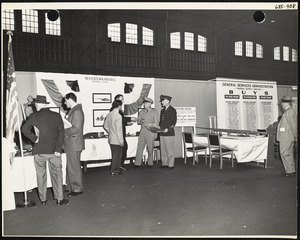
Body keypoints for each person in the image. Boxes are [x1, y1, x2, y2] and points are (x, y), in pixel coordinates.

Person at [21, 95, 69, 206]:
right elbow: (61, 133)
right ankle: (59, 199)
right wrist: (58, 148)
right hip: (54, 151)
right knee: (57, 174)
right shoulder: (56, 116)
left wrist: (34, 138)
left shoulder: (34, 116)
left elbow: (24, 129)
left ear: (39, 104)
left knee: (40, 175)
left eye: (36, 104)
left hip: (39, 151)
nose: (35, 106)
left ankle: (43, 200)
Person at [64, 92, 85, 196]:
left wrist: (63, 130)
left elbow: (75, 129)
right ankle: (70, 186)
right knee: (70, 166)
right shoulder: (74, 110)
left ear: (70, 100)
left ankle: (77, 188)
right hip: (72, 143)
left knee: (74, 167)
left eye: (65, 100)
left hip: (74, 143)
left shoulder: (76, 111)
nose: (64, 102)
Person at [114, 94, 137, 170]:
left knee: (124, 149)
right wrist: (130, 119)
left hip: (122, 132)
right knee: (122, 150)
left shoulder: (120, 109)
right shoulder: (115, 110)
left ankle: (121, 165)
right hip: (119, 134)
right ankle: (120, 165)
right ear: (117, 100)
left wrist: (127, 123)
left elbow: (120, 121)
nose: (123, 101)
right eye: (121, 99)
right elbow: (120, 119)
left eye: (123, 99)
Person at [134, 97, 159, 167]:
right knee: (140, 147)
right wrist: (141, 121)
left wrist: (155, 133)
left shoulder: (155, 112)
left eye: (145, 103)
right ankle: (137, 163)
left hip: (151, 131)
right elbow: (138, 122)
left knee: (150, 148)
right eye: (144, 103)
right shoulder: (141, 112)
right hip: (142, 131)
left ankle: (150, 162)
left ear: (150, 104)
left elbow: (156, 123)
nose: (144, 104)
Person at [276, 96, 297, 177]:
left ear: (285, 103)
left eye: (282, 104)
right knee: (288, 153)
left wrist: (296, 135)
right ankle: (291, 170)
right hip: (287, 136)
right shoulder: (289, 111)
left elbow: (293, 125)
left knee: (284, 153)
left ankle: (289, 171)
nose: (281, 105)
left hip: (286, 137)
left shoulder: (289, 112)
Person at [103, 100, 124, 176]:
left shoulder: (109, 114)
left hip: (111, 138)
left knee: (114, 155)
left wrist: (110, 132)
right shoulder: (118, 116)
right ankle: (115, 170)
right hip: (117, 139)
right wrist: (121, 140)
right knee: (117, 156)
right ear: (119, 106)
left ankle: (115, 170)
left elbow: (105, 126)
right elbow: (119, 130)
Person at [159, 95, 177, 170]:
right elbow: (161, 121)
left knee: (169, 149)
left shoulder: (172, 110)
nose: (162, 102)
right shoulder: (162, 111)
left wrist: (168, 128)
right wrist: (159, 128)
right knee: (163, 149)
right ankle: (164, 163)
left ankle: (171, 164)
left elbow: (174, 122)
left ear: (167, 101)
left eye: (163, 101)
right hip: (162, 132)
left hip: (169, 133)